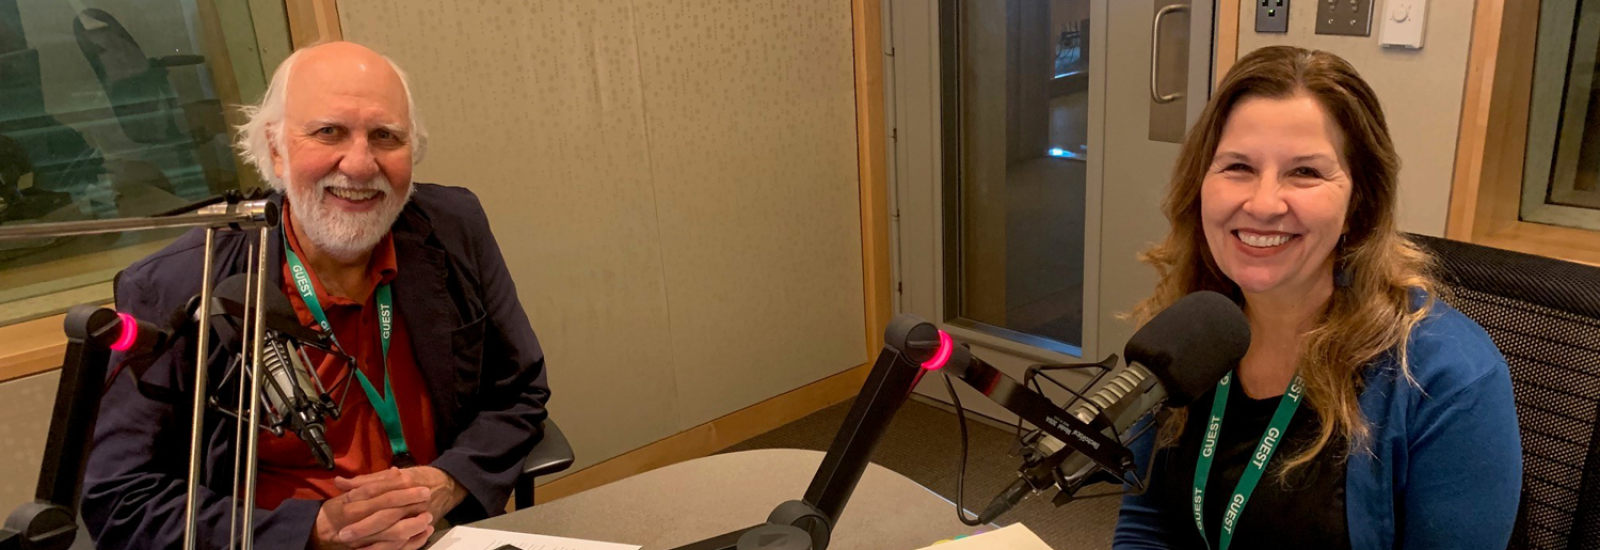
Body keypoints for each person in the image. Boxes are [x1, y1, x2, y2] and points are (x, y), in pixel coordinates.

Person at [82, 42, 551, 550]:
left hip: (443, 533)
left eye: (385, 136)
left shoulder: (454, 227)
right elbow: (120, 494)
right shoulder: (177, 283)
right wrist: (312, 532)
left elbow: (518, 391)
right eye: (328, 132)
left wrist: (448, 482)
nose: (359, 164)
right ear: (277, 149)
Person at [1113, 46, 1521, 549]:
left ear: (1358, 205)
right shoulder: (1191, 330)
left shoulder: (1447, 378)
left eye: (1304, 172)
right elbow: (1148, 522)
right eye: (1238, 166)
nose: (1263, 203)